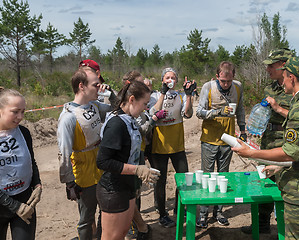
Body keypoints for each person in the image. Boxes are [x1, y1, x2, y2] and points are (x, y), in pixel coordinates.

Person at [233, 57, 299, 240]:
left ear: (292, 78)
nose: (284, 80)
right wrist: (280, 166)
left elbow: (290, 151)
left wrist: (251, 152)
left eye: (286, 76)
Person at [96, 80, 160, 240]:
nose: (146, 107)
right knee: (112, 236)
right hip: (113, 189)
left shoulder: (129, 118)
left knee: (123, 231)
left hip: (127, 186)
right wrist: (137, 170)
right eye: (144, 103)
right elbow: (103, 161)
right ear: (131, 99)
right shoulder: (116, 124)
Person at [241, 48, 294, 234]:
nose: (267, 69)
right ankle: (262, 224)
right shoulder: (270, 88)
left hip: (286, 140)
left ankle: (286, 227)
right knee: (264, 180)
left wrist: (279, 108)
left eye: (272, 65)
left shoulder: (297, 89)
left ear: (284, 65)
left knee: (285, 182)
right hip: (268, 138)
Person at [57, 69, 115, 240]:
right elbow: (64, 152)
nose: (99, 87)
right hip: (83, 171)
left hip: (101, 162)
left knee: (105, 209)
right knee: (87, 217)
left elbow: (118, 107)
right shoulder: (68, 117)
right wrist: (69, 183)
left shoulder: (94, 105)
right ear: (81, 86)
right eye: (95, 85)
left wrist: (110, 94)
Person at [195, 61, 246, 228]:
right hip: (210, 139)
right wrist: (218, 112)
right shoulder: (208, 87)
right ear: (217, 76)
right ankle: (203, 213)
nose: (226, 84)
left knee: (224, 176)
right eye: (223, 81)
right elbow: (199, 112)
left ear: (233, 77)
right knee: (208, 176)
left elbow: (240, 110)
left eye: (229, 81)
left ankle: (219, 212)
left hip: (228, 139)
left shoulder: (237, 87)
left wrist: (243, 130)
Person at [0, 87, 42, 240]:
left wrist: (38, 185)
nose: (20, 116)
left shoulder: (24, 133)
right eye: (15, 111)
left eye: (23, 111)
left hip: (25, 205)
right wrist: (15, 206)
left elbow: (31, 162)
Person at [148, 67, 195, 228]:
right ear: (162, 80)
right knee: (160, 181)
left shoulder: (180, 95)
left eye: (173, 77)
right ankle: (162, 213)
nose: (170, 80)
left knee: (183, 177)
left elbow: (188, 114)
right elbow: (153, 112)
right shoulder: (154, 96)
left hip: (177, 145)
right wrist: (162, 93)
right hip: (159, 145)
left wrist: (189, 95)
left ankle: (179, 208)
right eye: (167, 77)